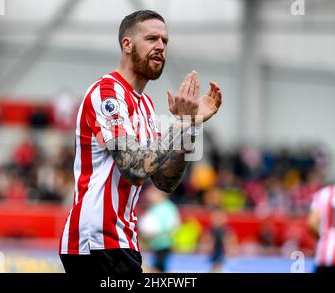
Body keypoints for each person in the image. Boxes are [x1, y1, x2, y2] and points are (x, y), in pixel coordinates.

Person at [58, 10, 222, 274]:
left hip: (120, 241)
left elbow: (164, 181)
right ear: (127, 44)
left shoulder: (145, 105)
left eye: (165, 41)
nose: (160, 47)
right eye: (152, 39)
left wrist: (190, 126)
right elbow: (134, 168)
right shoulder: (107, 93)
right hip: (96, 241)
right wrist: (179, 123)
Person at [139, 185, 180, 272]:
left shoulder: (168, 207)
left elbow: (173, 225)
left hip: (164, 243)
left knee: (159, 267)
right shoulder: (154, 207)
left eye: (152, 193)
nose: (148, 195)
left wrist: (155, 233)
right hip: (153, 244)